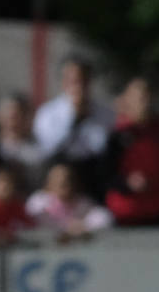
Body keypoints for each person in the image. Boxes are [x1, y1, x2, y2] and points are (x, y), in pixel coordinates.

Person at [32, 56, 115, 192]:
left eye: (83, 80)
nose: (78, 85)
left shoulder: (105, 113)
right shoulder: (48, 113)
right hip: (59, 174)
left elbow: (102, 147)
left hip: (91, 176)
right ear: (64, 82)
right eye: (73, 80)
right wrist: (74, 118)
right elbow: (48, 148)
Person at [101, 77, 159, 225]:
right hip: (126, 213)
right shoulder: (117, 133)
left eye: (146, 96)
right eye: (138, 98)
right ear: (127, 100)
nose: (144, 102)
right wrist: (127, 183)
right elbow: (106, 175)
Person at [25, 162, 113, 239]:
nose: (62, 182)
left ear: (74, 183)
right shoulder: (38, 201)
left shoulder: (83, 202)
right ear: (48, 183)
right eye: (57, 180)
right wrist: (64, 228)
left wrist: (84, 225)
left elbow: (105, 218)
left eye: (67, 180)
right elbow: (31, 221)